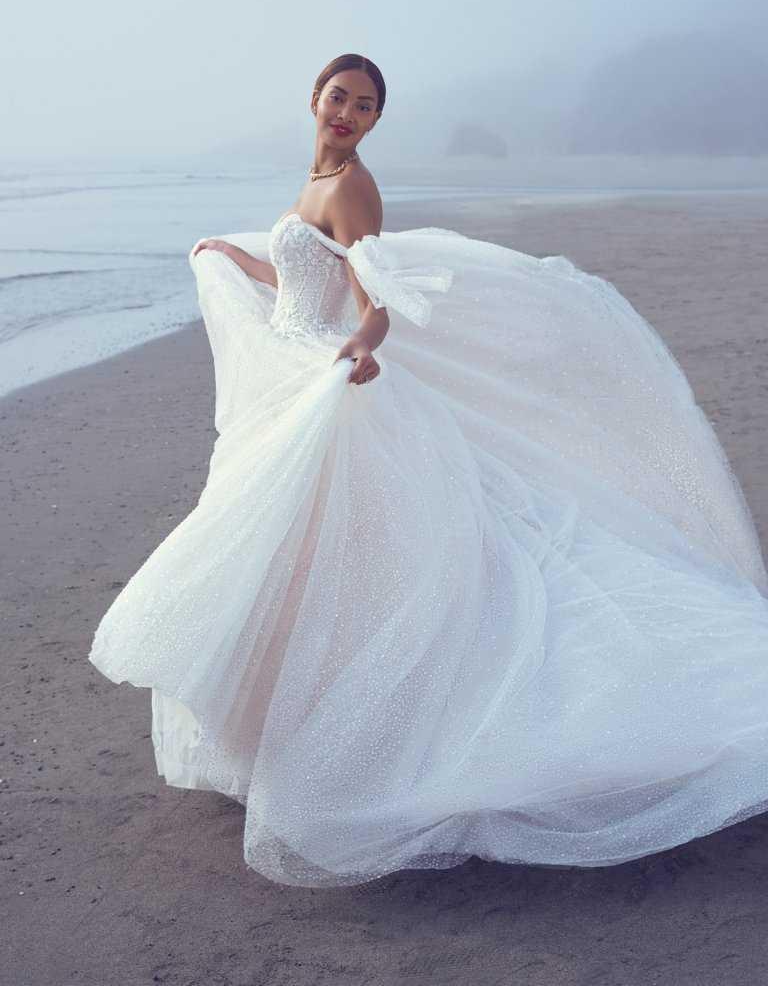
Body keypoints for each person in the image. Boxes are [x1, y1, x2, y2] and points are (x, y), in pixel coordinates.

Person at [89, 53, 768, 889]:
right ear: (315, 99)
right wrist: (234, 257)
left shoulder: (352, 188)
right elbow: (307, 276)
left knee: (361, 555)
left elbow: (375, 300)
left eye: (364, 106)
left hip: (334, 376)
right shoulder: (317, 181)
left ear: (375, 120)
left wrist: (361, 350)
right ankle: (288, 733)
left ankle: (367, 743)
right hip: (301, 370)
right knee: (299, 555)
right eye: (339, 97)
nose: (347, 112)